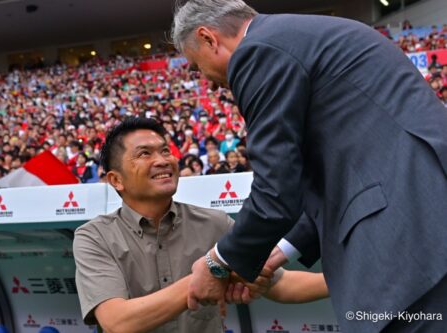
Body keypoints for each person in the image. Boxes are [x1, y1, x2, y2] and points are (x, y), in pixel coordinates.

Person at [171, 1, 447, 332]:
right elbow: (331, 176)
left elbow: (276, 190)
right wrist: (276, 252)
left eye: (194, 66)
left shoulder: (256, 51)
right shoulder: (290, 37)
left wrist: (217, 262)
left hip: (410, 235)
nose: (207, 83)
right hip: (422, 222)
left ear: (208, 38)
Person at [73, 118, 328, 333]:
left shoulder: (214, 223)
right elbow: (118, 320)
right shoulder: (94, 236)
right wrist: (213, 271)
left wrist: (348, 280)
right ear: (116, 179)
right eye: (144, 154)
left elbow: (279, 283)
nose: (162, 160)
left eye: (165, 151)